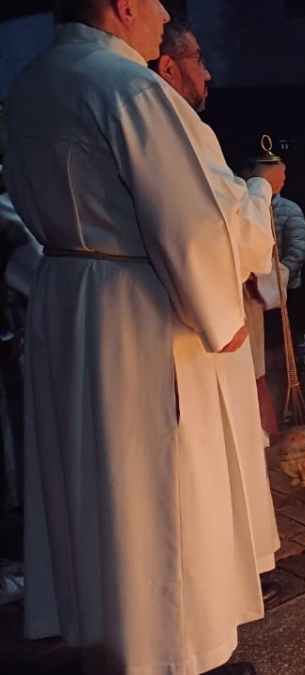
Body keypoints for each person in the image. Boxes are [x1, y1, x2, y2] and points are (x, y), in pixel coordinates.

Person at [6, 0, 283, 672]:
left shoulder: (31, 86)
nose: (165, 14)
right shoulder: (129, 87)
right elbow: (197, 225)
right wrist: (260, 193)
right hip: (141, 311)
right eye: (157, 1)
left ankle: (111, 637)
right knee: (163, 491)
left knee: (97, 487)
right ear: (123, 4)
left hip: (70, 298)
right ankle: (180, 654)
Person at [151, 18, 284, 600]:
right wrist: (264, 189)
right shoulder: (171, 125)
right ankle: (220, 589)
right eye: (198, 59)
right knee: (208, 457)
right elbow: (219, 227)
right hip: (195, 320)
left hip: (153, 305)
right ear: (168, 68)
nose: (208, 72)